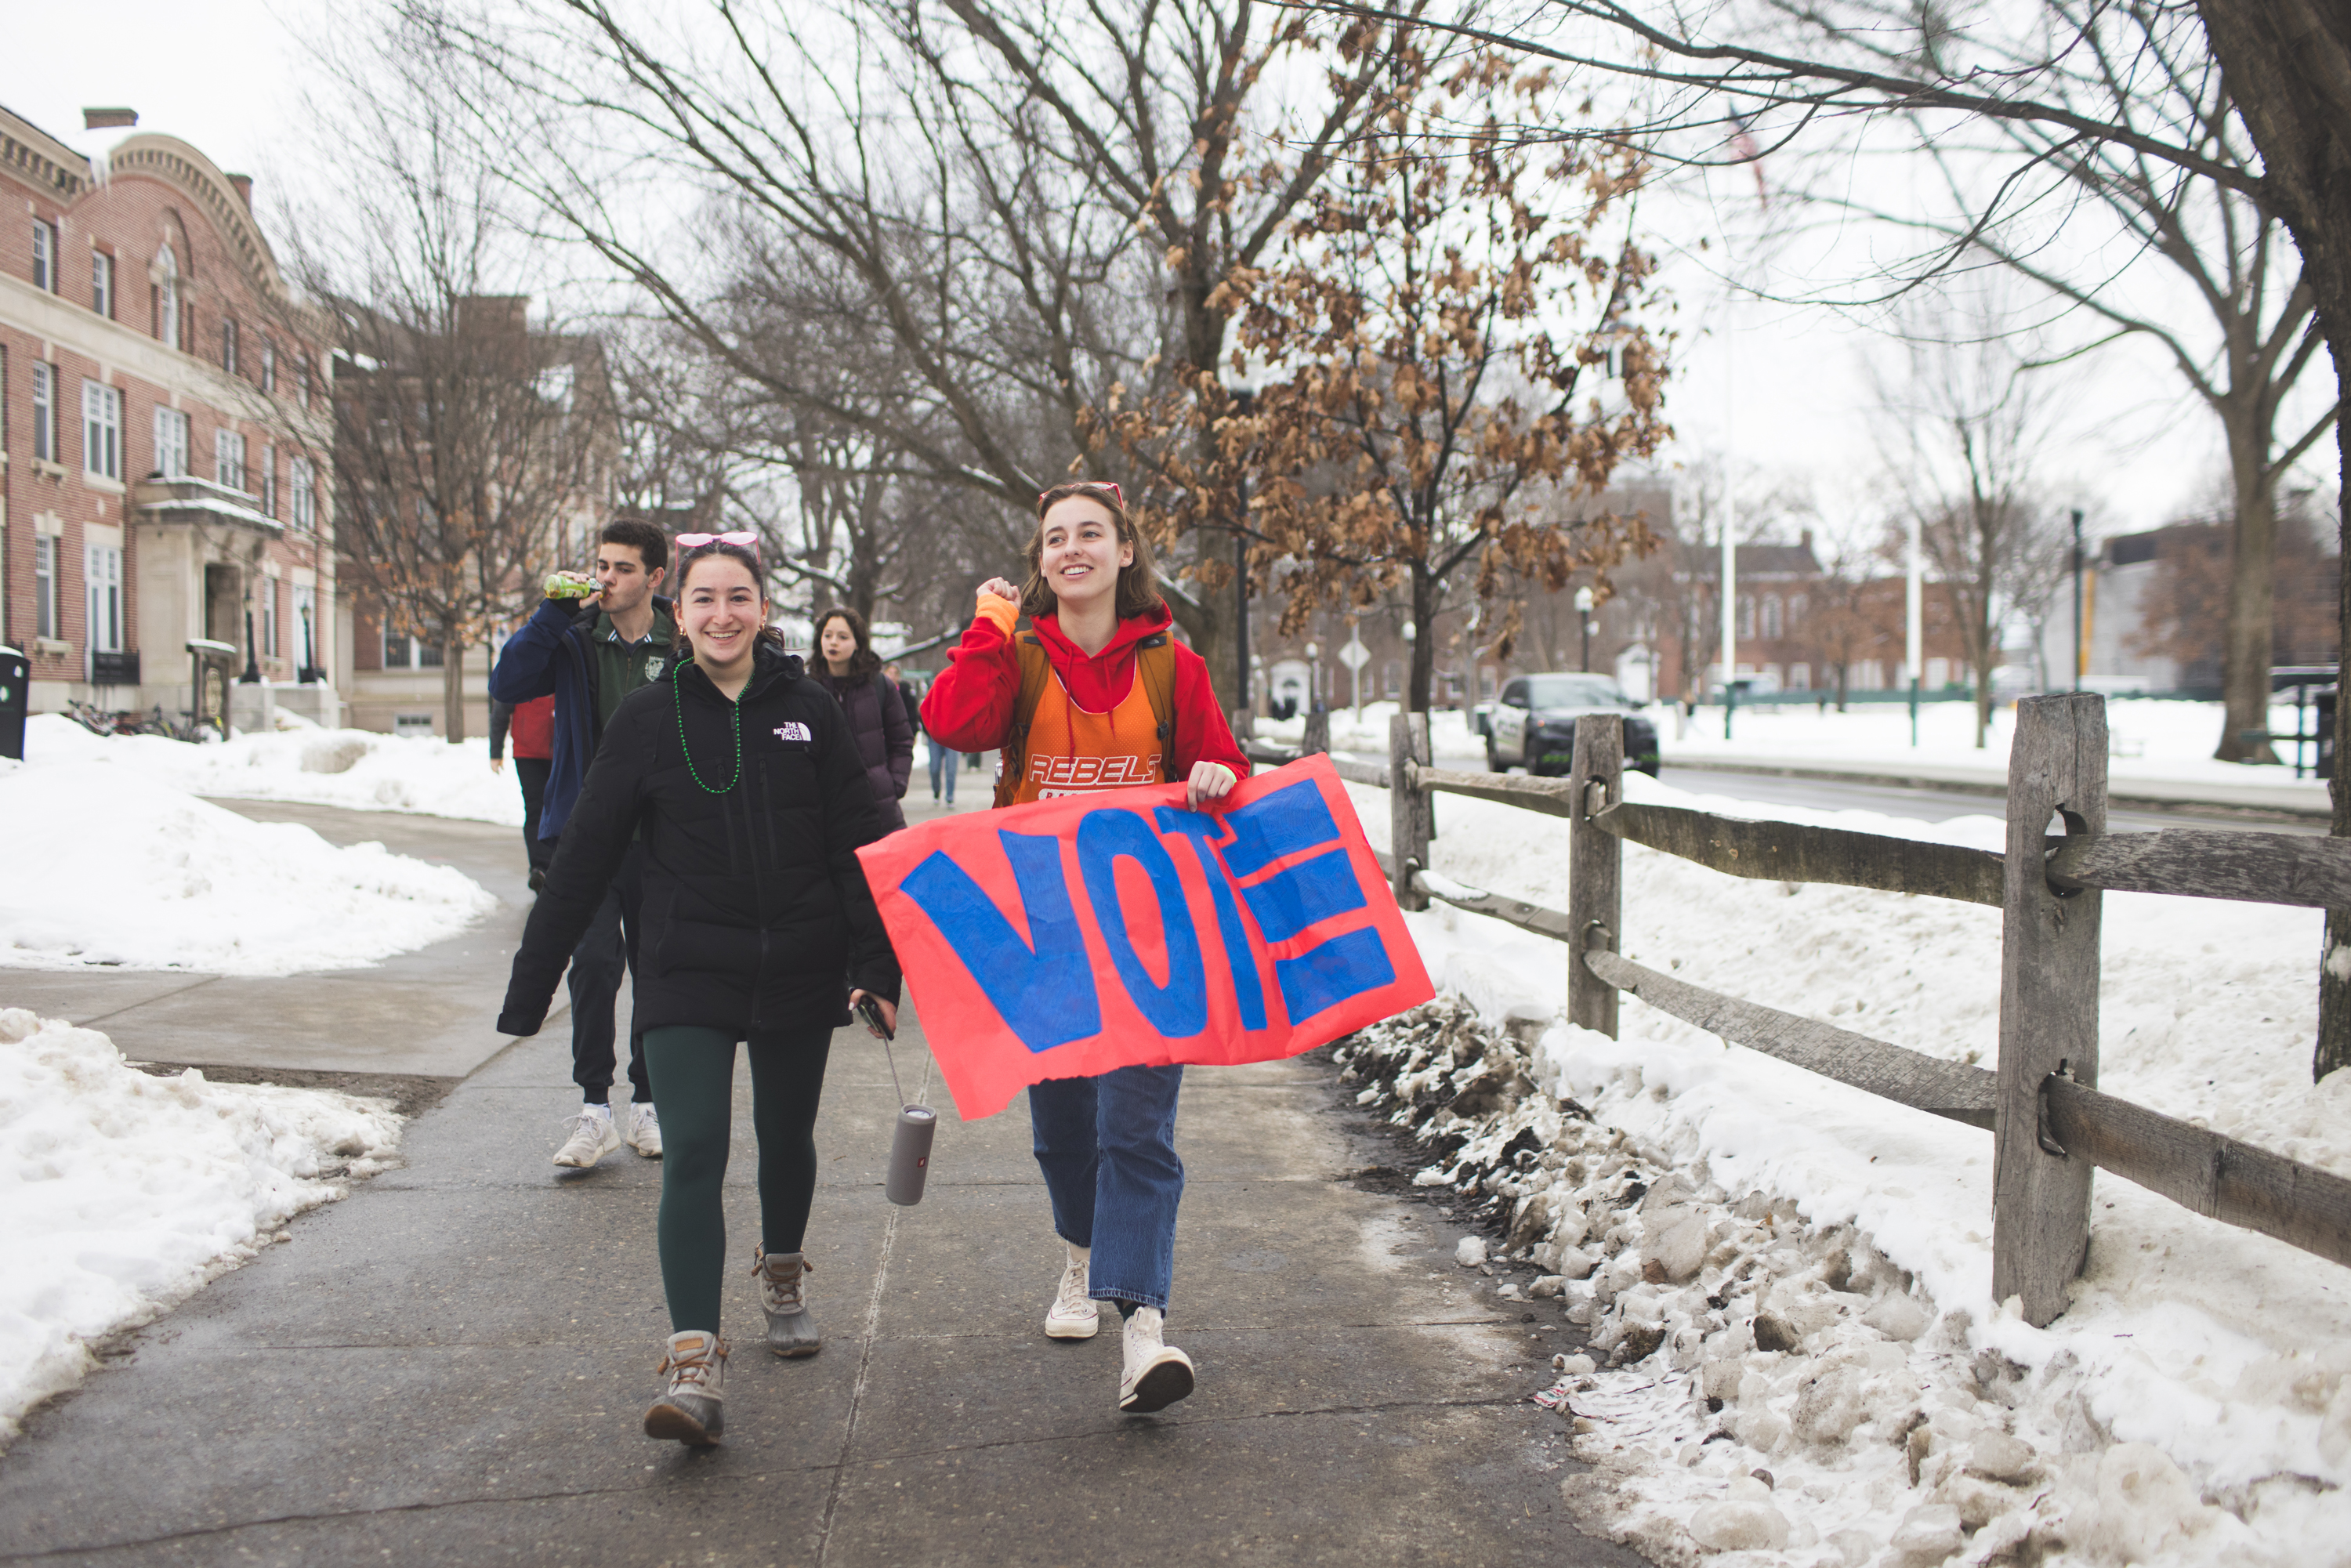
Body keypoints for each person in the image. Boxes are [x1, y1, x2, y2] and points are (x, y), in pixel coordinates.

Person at [496, 538, 901, 1448]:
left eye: (740, 597)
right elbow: (585, 855)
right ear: (679, 613)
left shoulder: (809, 712)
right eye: (704, 599)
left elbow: (861, 845)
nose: (722, 614)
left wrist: (878, 969)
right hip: (687, 967)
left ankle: (785, 1274)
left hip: (801, 961)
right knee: (695, 1151)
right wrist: (532, 988)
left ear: (764, 608)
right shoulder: (645, 717)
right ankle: (692, 1359)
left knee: (786, 1136)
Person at [922, 479, 1248, 1415]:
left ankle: (1143, 1330)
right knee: (1063, 1136)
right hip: (1044, 940)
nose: (1072, 548)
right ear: (1041, 560)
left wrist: (1218, 775)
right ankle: (1079, 1254)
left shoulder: (1172, 669)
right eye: (1054, 537)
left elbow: (1222, 770)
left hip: (1152, 943)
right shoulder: (1016, 656)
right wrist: (988, 627)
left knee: (1135, 1133)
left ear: (1124, 553)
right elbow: (952, 724)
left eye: (1090, 534)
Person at [488, 518, 676, 1165]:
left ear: (655, 576)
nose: (607, 578)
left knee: (656, 965)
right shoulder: (571, 636)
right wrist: (551, 614)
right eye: (602, 565)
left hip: (661, 835)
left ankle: (647, 1101)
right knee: (593, 964)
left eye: (623, 568)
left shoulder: (680, 639)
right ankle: (594, 1105)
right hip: (586, 831)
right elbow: (507, 685)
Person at [810, 607, 914, 832]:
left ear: (858, 642)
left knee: (884, 866)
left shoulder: (879, 685)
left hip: (878, 808)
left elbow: (902, 740)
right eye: (827, 636)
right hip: (825, 810)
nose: (833, 643)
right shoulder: (806, 688)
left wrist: (895, 783)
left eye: (842, 637)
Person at [489, 693, 558, 889]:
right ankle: (539, 868)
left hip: (562, 752)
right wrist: (496, 752)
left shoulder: (564, 666)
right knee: (536, 809)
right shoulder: (523, 669)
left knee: (562, 810)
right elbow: (501, 711)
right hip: (528, 754)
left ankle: (559, 866)